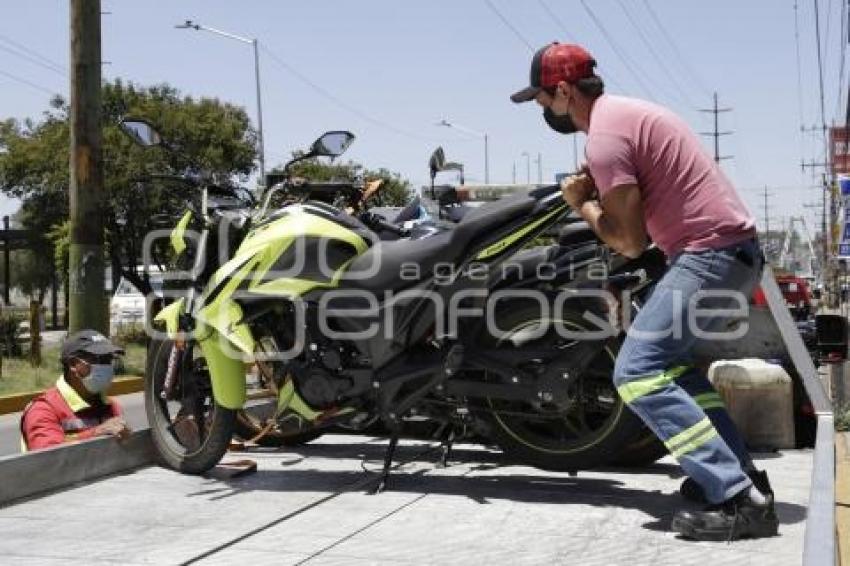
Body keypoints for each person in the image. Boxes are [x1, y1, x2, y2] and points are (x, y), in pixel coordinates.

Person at [511, 42, 778, 541]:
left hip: (710, 255)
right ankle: (743, 478)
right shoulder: (627, 115)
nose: (544, 110)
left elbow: (629, 241)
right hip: (728, 254)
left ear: (565, 91)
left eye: (544, 99)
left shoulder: (605, 138)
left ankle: (738, 499)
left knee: (636, 372)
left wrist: (581, 205)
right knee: (669, 366)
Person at [21, 330, 130, 451]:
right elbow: (48, 458)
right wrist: (96, 433)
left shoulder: (112, 406)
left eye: (108, 360)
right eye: (98, 359)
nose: (106, 367)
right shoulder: (44, 409)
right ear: (73, 364)